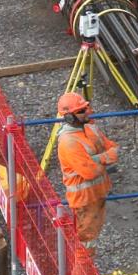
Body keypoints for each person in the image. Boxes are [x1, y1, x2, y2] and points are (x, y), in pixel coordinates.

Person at [56, 91, 119, 242]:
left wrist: (95, 159)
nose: (87, 112)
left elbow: (114, 149)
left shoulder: (90, 128)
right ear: (69, 117)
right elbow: (91, 171)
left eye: (86, 108)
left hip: (98, 193)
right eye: (81, 111)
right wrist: (105, 158)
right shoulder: (68, 142)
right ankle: (83, 265)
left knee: (93, 236)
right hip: (84, 200)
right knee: (86, 241)